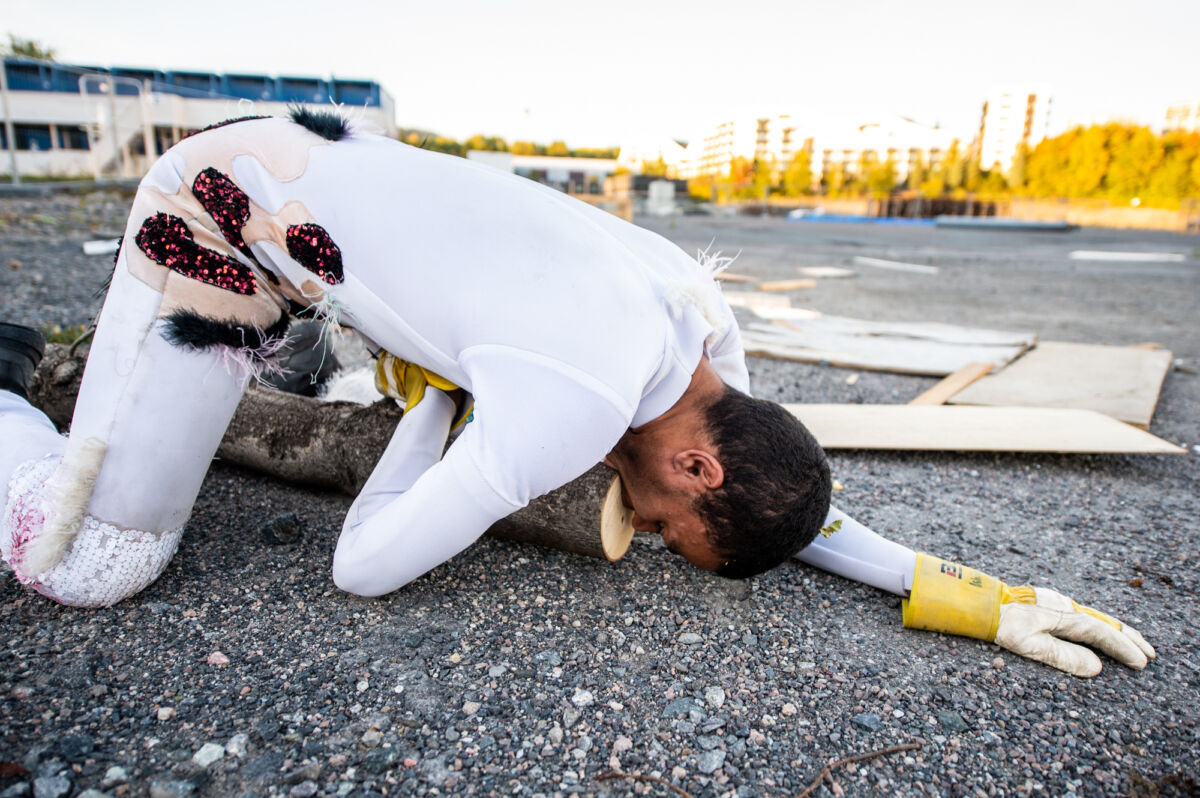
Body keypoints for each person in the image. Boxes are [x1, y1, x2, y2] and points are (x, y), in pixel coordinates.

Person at [0, 110, 1153, 678]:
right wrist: (443, 412)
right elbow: (359, 568)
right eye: (663, 526)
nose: (633, 521)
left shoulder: (710, 340)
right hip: (224, 211)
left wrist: (972, 596)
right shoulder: (572, 410)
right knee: (90, 562)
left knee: (313, 345)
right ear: (696, 464)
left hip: (333, 171)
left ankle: (150, 360)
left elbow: (787, 502)